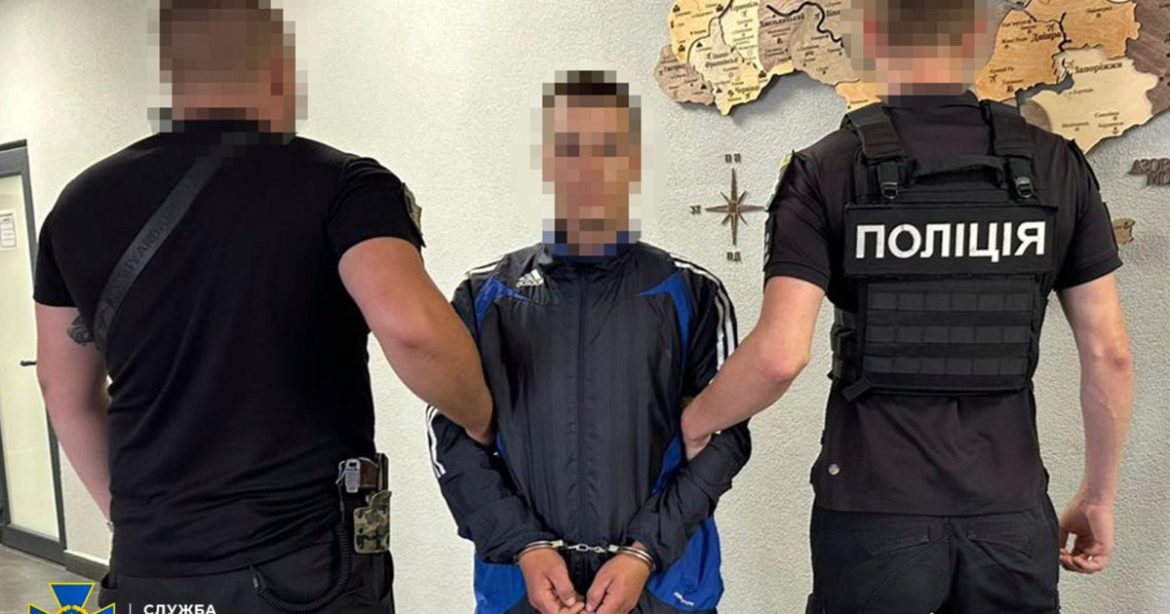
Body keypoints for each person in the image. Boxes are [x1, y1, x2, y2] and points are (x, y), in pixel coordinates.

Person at [33, 1, 493, 612]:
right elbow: (411, 330)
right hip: (298, 564)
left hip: (150, 567)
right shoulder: (344, 184)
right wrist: (483, 420)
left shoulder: (78, 203)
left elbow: (62, 388)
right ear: (277, 65)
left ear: (171, 72)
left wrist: (129, 516)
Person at [678, 1, 1134, 612]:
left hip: (873, 513)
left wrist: (695, 420)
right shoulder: (1054, 165)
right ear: (978, 37)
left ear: (870, 37)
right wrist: (1099, 497)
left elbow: (780, 356)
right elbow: (1109, 355)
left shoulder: (826, 168)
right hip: (1010, 511)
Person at [427, 70, 751, 614]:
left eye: (607, 149)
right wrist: (525, 546)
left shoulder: (692, 292)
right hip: (523, 590)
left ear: (634, 163)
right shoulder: (485, 296)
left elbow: (726, 439)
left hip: (662, 587)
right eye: (568, 149)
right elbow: (450, 436)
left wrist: (643, 552)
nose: (588, 168)